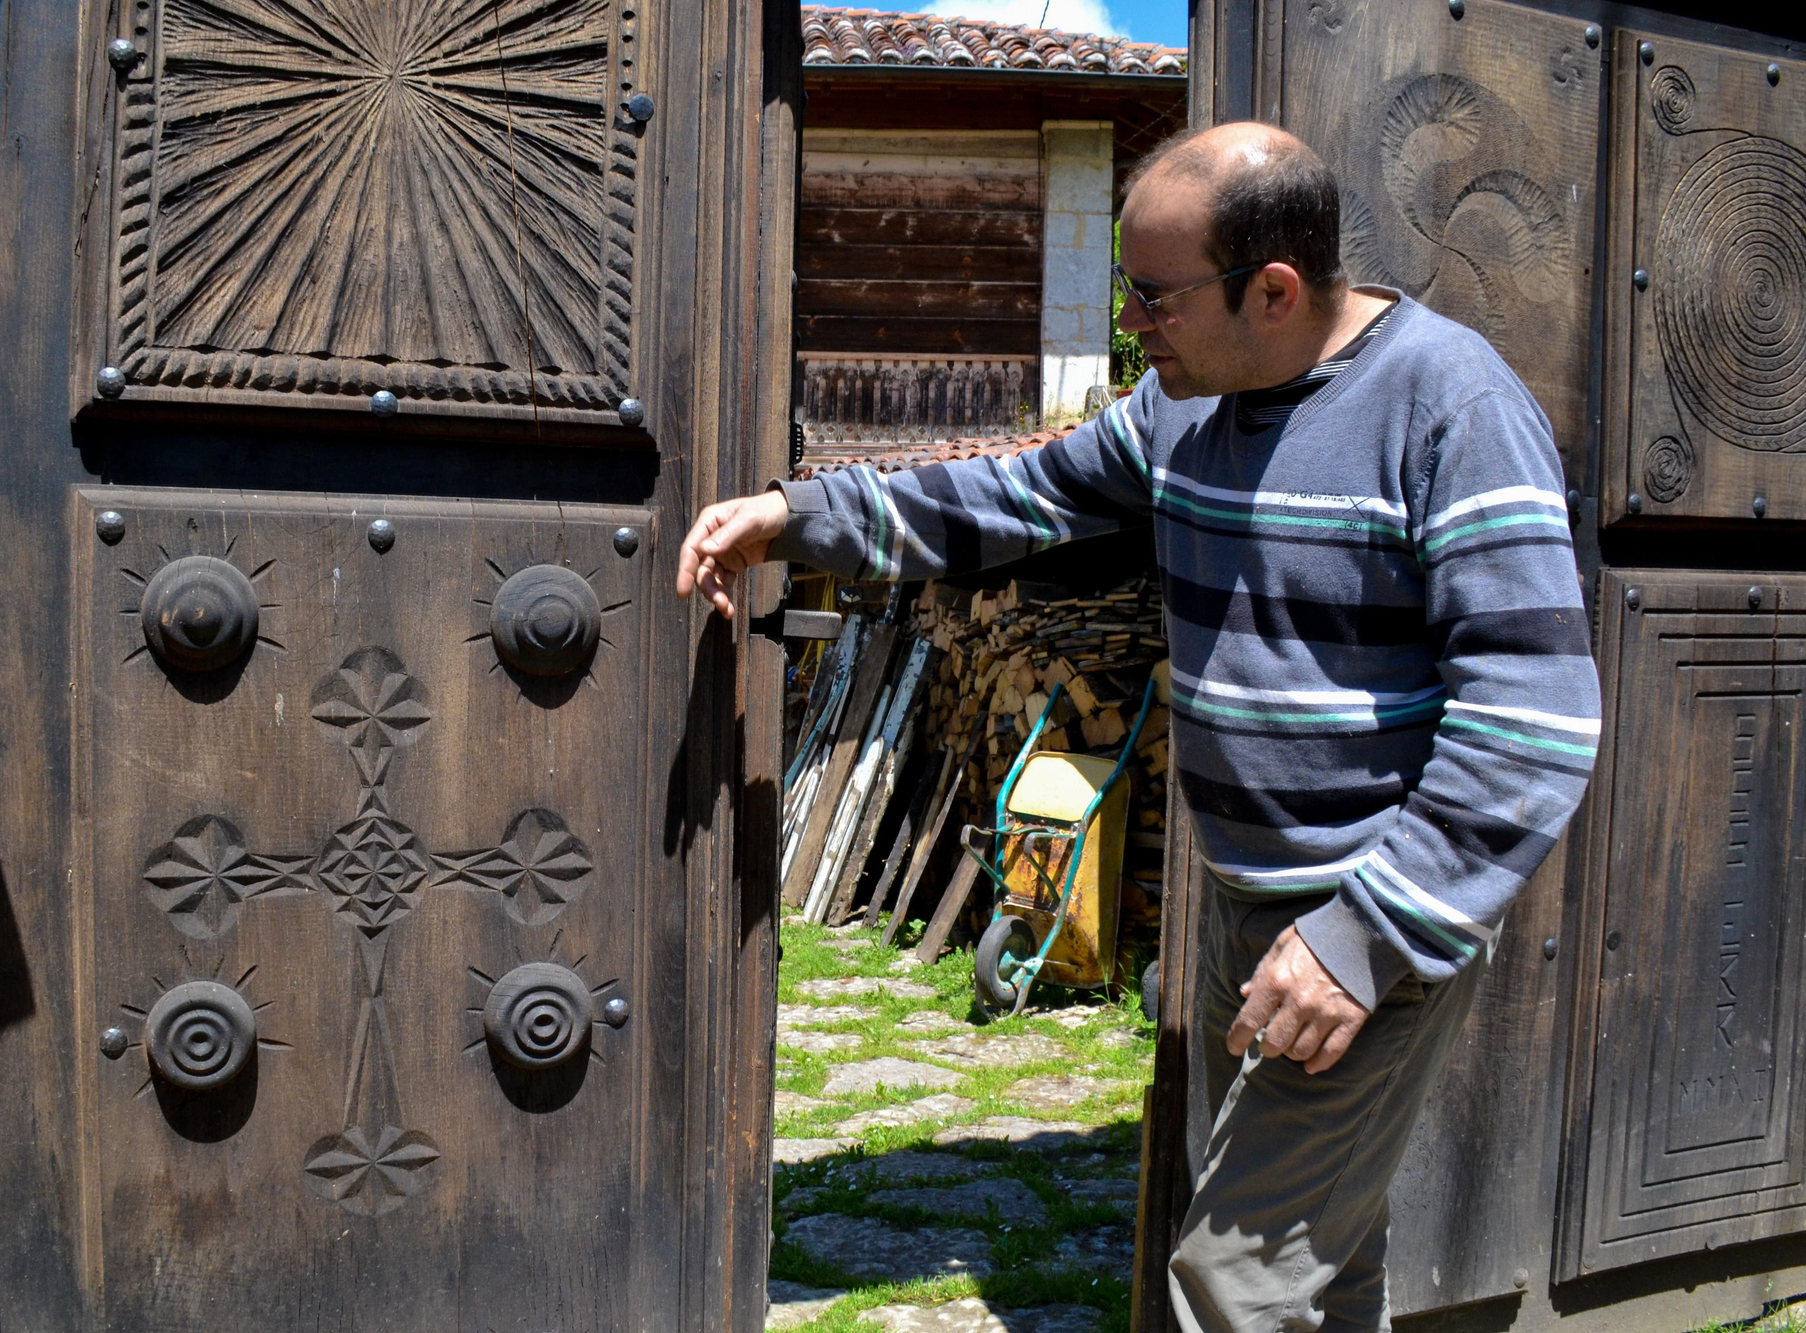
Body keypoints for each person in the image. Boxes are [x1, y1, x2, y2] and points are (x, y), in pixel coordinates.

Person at [677, 121, 1598, 1333]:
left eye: (1153, 297)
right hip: (1238, 901)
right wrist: (797, 517)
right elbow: (1012, 493)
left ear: (1271, 290)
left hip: (1359, 916)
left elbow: (1532, 717)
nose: (1131, 326)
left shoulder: (1449, 408)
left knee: (1233, 1276)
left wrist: (1357, 941)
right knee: (1321, 1264)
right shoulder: (1178, 413)